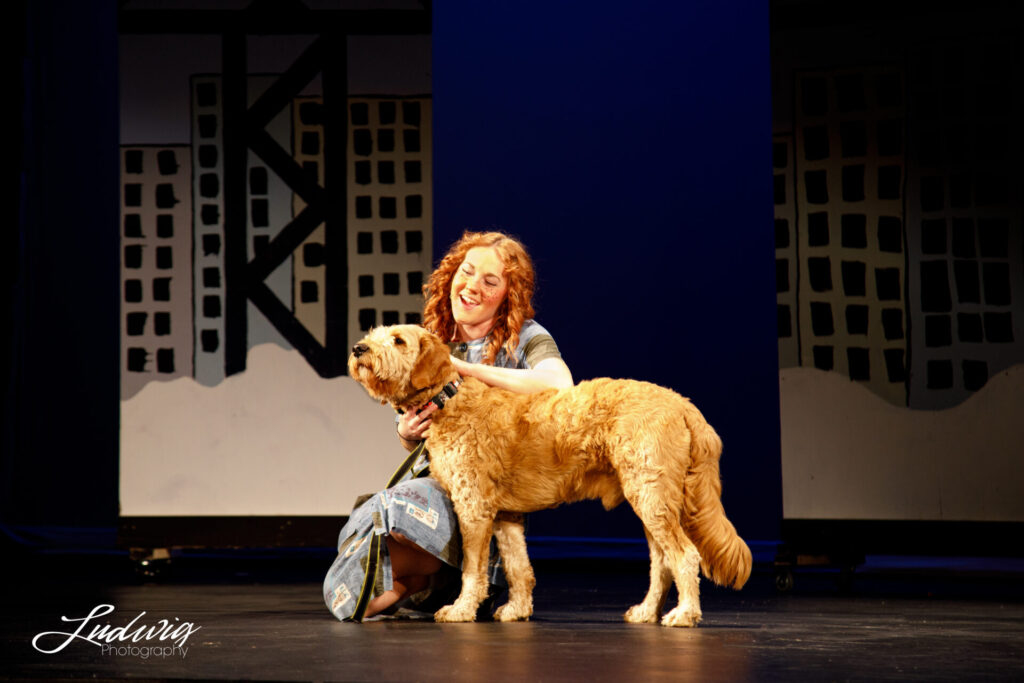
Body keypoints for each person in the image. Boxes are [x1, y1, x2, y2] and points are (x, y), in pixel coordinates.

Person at [324, 231, 573, 622]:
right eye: (467, 272)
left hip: (486, 495)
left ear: (508, 294)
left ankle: (447, 579)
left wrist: (466, 369)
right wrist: (405, 432)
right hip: (438, 485)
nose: (472, 287)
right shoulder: (429, 338)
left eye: (490, 282)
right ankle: (426, 582)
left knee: (401, 520)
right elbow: (417, 432)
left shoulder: (524, 336)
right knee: (355, 583)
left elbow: (560, 384)